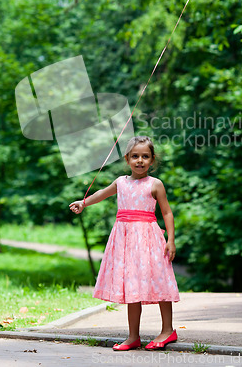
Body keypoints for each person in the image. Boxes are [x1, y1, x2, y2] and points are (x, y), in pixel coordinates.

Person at [69, 135, 180, 351]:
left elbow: (167, 212)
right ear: (127, 159)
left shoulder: (155, 184)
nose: (140, 160)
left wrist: (171, 239)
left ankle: (168, 330)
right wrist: (84, 203)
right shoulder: (121, 182)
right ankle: (133, 336)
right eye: (135, 156)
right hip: (125, 240)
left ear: (152, 160)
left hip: (149, 238)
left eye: (145, 156)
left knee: (160, 282)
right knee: (132, 286)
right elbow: (102, 193)